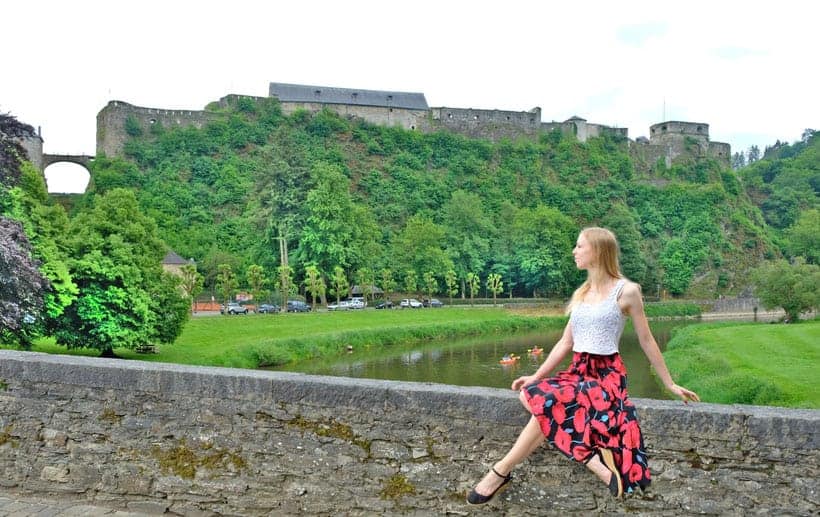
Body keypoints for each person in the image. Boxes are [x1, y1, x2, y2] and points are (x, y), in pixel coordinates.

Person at [467, 227, 700, 505]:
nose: (574, 251)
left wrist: (669, 383)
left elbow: (647, 340)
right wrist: (536, 375)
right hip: (579, 370)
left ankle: (499, 472)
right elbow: (566, 342)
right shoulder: (582, 292)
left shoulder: (627, 291)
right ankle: (592, 459)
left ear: (598, 251)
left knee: (549, 405)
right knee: (529, 395)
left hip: (606, 376)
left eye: (579, 246)